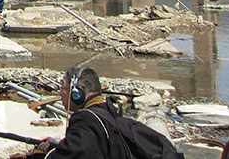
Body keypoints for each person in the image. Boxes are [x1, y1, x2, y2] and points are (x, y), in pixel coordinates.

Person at [39, 67, 181, 159]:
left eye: (63, 88)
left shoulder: (86, 121)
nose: (61, 93)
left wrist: (45, 154)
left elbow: (77, 153)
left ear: (76, 94)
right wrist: (60, 145)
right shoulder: (108, 113)